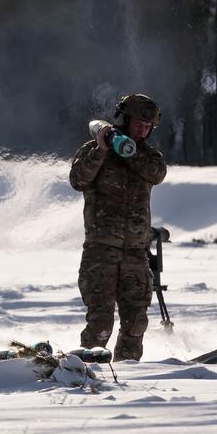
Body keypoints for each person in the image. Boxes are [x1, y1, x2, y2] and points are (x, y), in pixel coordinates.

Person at [69, 93, 167, 361]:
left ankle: (128, 375)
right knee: (100, 324)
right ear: (125, 119)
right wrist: (102, 149)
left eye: (148, 126)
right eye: (139, 124)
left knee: (136, 323)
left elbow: (157, 173)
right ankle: (89, 372)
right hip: (101, 251)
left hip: (135, 252)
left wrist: (129, 152)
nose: (143, 130)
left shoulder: (149, 156)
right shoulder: (95, 150)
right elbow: (78, 180)